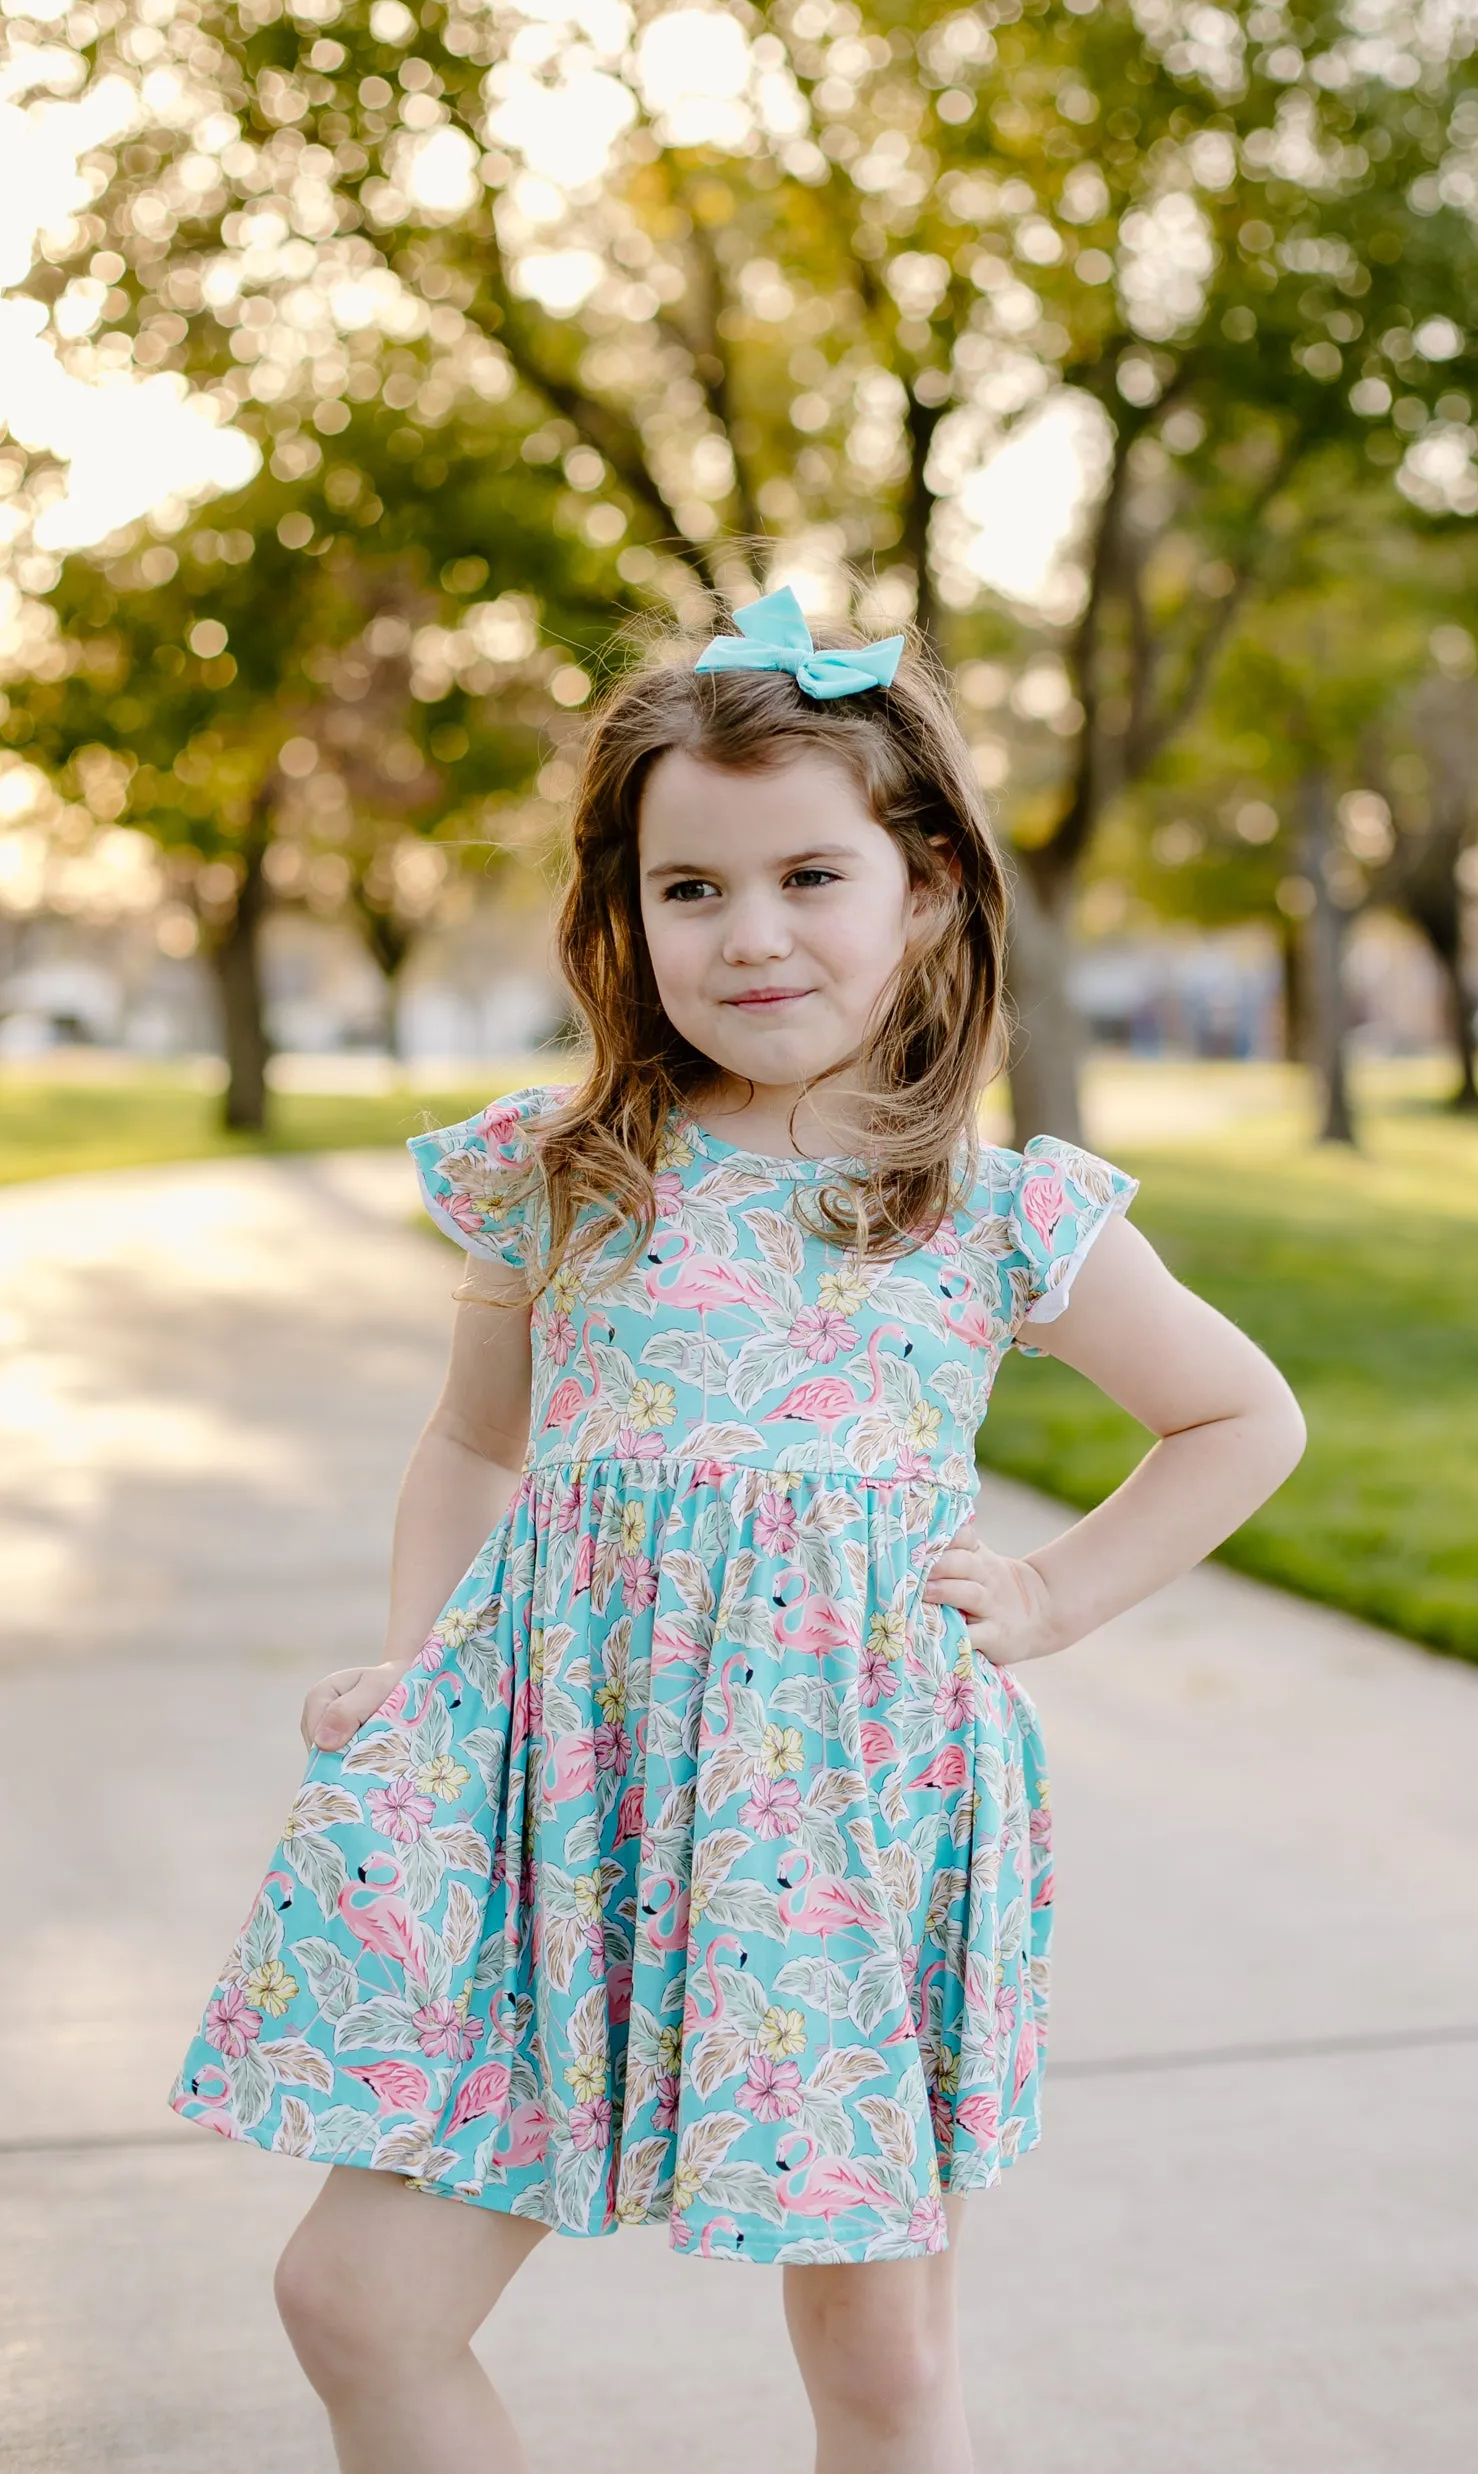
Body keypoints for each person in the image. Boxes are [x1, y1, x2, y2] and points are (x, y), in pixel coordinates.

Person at [168, 583, 1305, 2473]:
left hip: (847, 1821)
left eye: (807, 874)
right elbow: (468, 1448)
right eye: (690, 887)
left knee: (878, 2366)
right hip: (562, 1798)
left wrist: (1049, 1590)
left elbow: (1236, 1416)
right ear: (627, 910)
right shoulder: (570, 1173)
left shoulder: (992, 1209)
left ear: (926, 884)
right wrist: (427, 1659)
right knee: (354, 2299)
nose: (749, 932)